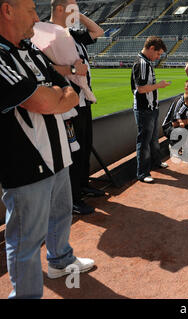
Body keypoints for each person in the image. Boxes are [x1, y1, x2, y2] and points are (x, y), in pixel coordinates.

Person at [0, 0, 95, 299]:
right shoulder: (2, 57)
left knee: (61, 215)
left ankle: (60, 261)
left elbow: (69, 92)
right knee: (26, 239)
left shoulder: (31, 51)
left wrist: (56, 95)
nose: (35, 17)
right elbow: (44, 101)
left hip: (57, 156)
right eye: (30, 9)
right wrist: (56, 96)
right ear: (7, 10)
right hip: (26, 165)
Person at [49, 0, 105, 215]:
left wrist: (79, 16)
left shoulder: (72, 34)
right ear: (61, 9)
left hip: (84, 102)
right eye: (73, 7)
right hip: (68, 105)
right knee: (72, 152)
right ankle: (71, 199)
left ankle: (82, 186)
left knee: (84, 148)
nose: (77, 10)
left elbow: (98, 31)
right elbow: (44, 66)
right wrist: (72, 68)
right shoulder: (48, 34)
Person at [131, 36, 171, 184]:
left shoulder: (146, 62)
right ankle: (142, 173)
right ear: (151, 48)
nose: (158, 57)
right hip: (144, 109)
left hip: (151, 108)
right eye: (158, 53)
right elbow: (141, 89)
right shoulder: (141, 63)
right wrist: (159, 85)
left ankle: (156, 162)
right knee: (144, 141)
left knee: (154, 139)